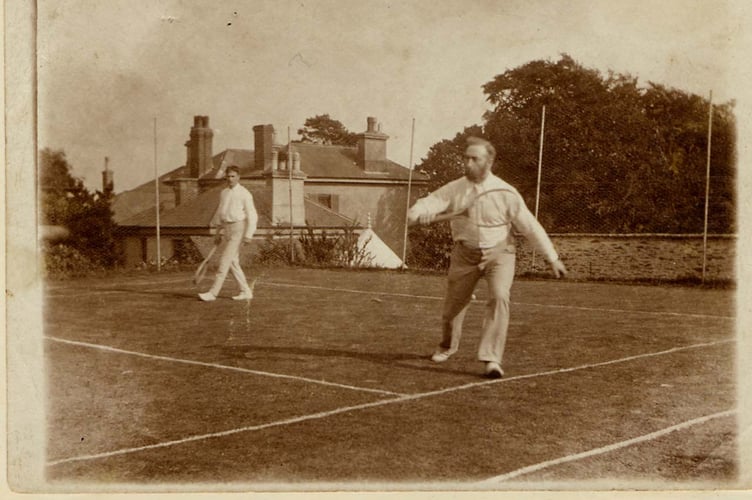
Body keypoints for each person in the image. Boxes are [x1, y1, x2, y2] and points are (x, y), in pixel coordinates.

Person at [407, 136, 567, 378]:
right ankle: (448, 346)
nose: (468, 163)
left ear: (488, 162)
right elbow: (431, 202)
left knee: (500, 296)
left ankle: (491, 358)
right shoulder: (456, 187)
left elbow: (530, 227)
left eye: (474, 159)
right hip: (464, 254)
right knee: (452, 309)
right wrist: (418, 214)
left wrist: (552, 257)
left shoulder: (506, 192)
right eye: (466, 158)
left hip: (500, 253)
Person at [198, 165, 257, 301]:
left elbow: (252, 215)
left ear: (238, 177)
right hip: (227, 229)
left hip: (239, 229)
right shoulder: (223, 193)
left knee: (224, 261)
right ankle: (245, 291)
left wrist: (249, 235)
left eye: (233, 176)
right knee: (233, 262)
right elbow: (221, 213)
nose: (230, 179)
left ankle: (213, 293)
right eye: (228, 176)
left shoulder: (245, 193)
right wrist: (218, 233)